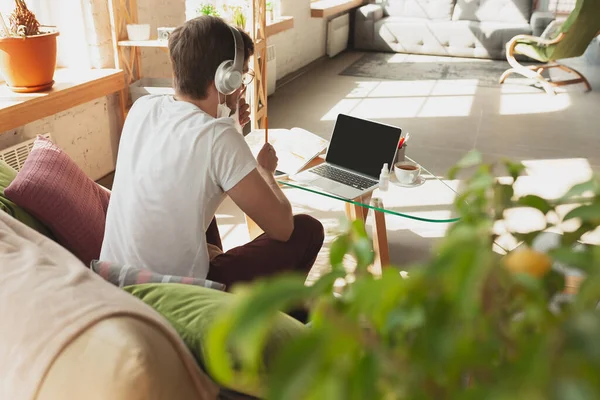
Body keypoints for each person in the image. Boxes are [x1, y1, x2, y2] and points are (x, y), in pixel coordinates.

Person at [100, 16, 324, 295]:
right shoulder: (219, 138)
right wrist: (266, 173)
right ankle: (274, 325)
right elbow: (282, 228)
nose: (242, 84)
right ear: (226, 78)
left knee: (196, 193)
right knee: (307, 229)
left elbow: (197, 152)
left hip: (116, 279)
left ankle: (212, 259)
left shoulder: (141, 108)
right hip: (173, 293)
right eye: (241, 75)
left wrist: (231, 123)